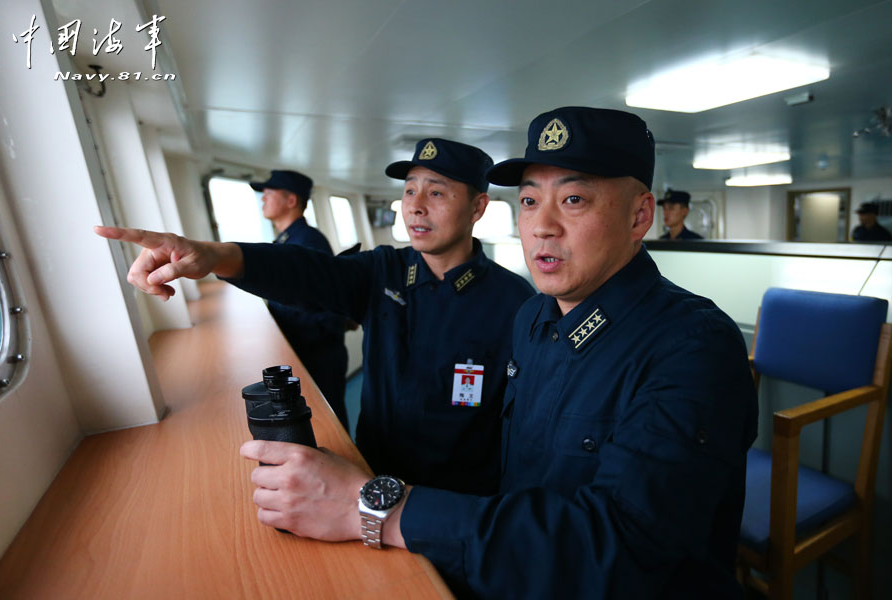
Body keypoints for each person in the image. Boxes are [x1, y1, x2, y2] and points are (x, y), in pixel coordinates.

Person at [233, 107, 757, 599]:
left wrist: (377, 510)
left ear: (640, 215)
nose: (542, 225)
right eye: (529, 201)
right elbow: (514, 482)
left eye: (574, 199)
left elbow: (622, 549)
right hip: (508, 565)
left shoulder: (693, 347)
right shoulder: (534, 318)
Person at [94, 138, 535, 497]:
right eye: (409, 191)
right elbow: (306, 272)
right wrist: (215, 256)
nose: (415, 206)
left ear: (477, 207)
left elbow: (526, 417)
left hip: (460, 490)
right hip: (373, 470)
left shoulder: (514, 300)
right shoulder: (383, 271)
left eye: (436, 192)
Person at [250, 169, 350, 429]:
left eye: (269, 193)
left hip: (317, 352)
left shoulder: (308, 242)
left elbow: (322, 306)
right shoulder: (287, 240)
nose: (263, 199)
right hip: (301, 347)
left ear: (291, 200)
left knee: (330, 421)